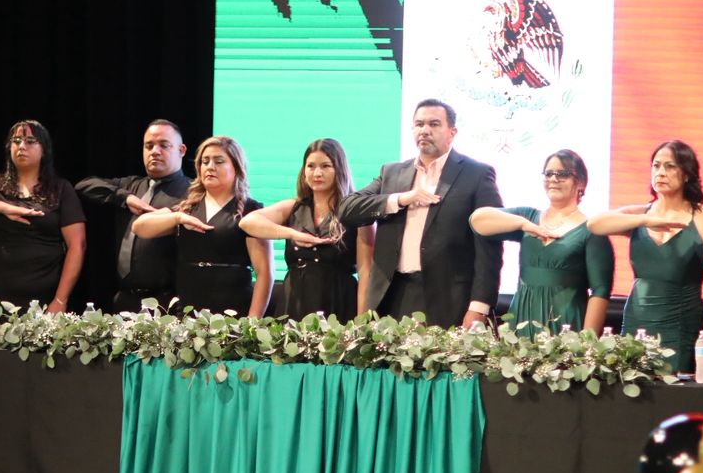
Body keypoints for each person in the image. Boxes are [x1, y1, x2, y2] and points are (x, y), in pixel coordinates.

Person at [338, 99, 503, 325]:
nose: (424, 130)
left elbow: (490, 247)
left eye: (434, 124)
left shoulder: (477, 174)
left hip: (448, 300)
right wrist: (401, 199)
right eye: (419, 124)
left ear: (452, 132)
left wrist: (479, 307)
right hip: (391, 296)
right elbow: (347, 208)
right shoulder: (392, 173)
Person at [588, 140, 703, 373]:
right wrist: (645, 220)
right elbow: (594, 224)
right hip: (637, 322)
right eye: (656, 165)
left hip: (680, 325)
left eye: (670, 166)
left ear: (686, 174)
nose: (661, 172)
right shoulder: (640, 214)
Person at [0, 120, 85, 326]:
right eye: (16, 141)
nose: (22, 146)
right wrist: (4, 207)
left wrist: (60, 299)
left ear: (44, 150)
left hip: (42, 295)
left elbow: (77, 245)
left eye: (30, 141)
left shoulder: (60, 189)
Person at [469, 149, 614, 334]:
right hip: (523, 319)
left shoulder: (592, 230)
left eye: (562, 174)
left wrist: (587, 341)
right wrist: (523, 224)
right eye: (548, 173)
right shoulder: (529, 217)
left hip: (566, 323)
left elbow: (600, 291)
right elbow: (477, 220)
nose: (553, 179)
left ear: (581, 182)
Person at [129, 135, 269, 317]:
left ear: (236, 167)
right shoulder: (186, 207)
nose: (210, 167)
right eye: (205, 161)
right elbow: (139, 227)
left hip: (234, 309)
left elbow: (264, 273)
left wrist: (252, 322)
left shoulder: (250, 210)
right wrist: (177, 218)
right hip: (190, 308)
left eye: (219, 161)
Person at [239, 138, 369, 320]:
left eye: (325, 166)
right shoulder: (293, 207)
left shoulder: (355, 212)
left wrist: (362, 323)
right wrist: (292, 234)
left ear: (340, 169)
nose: (317, 173)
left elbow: (366, 273)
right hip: (294, 301)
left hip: (338, 301)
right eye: (311, 166)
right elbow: (247, 222)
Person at [76, 119, 190, 313]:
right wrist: (125, 198)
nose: (155, 151)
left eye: (164, 145)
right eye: (149, 146)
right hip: (125, 299)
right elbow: (84, 185)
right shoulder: (131, 185)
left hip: (167, 302)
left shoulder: (192, 192)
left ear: (181, 150)